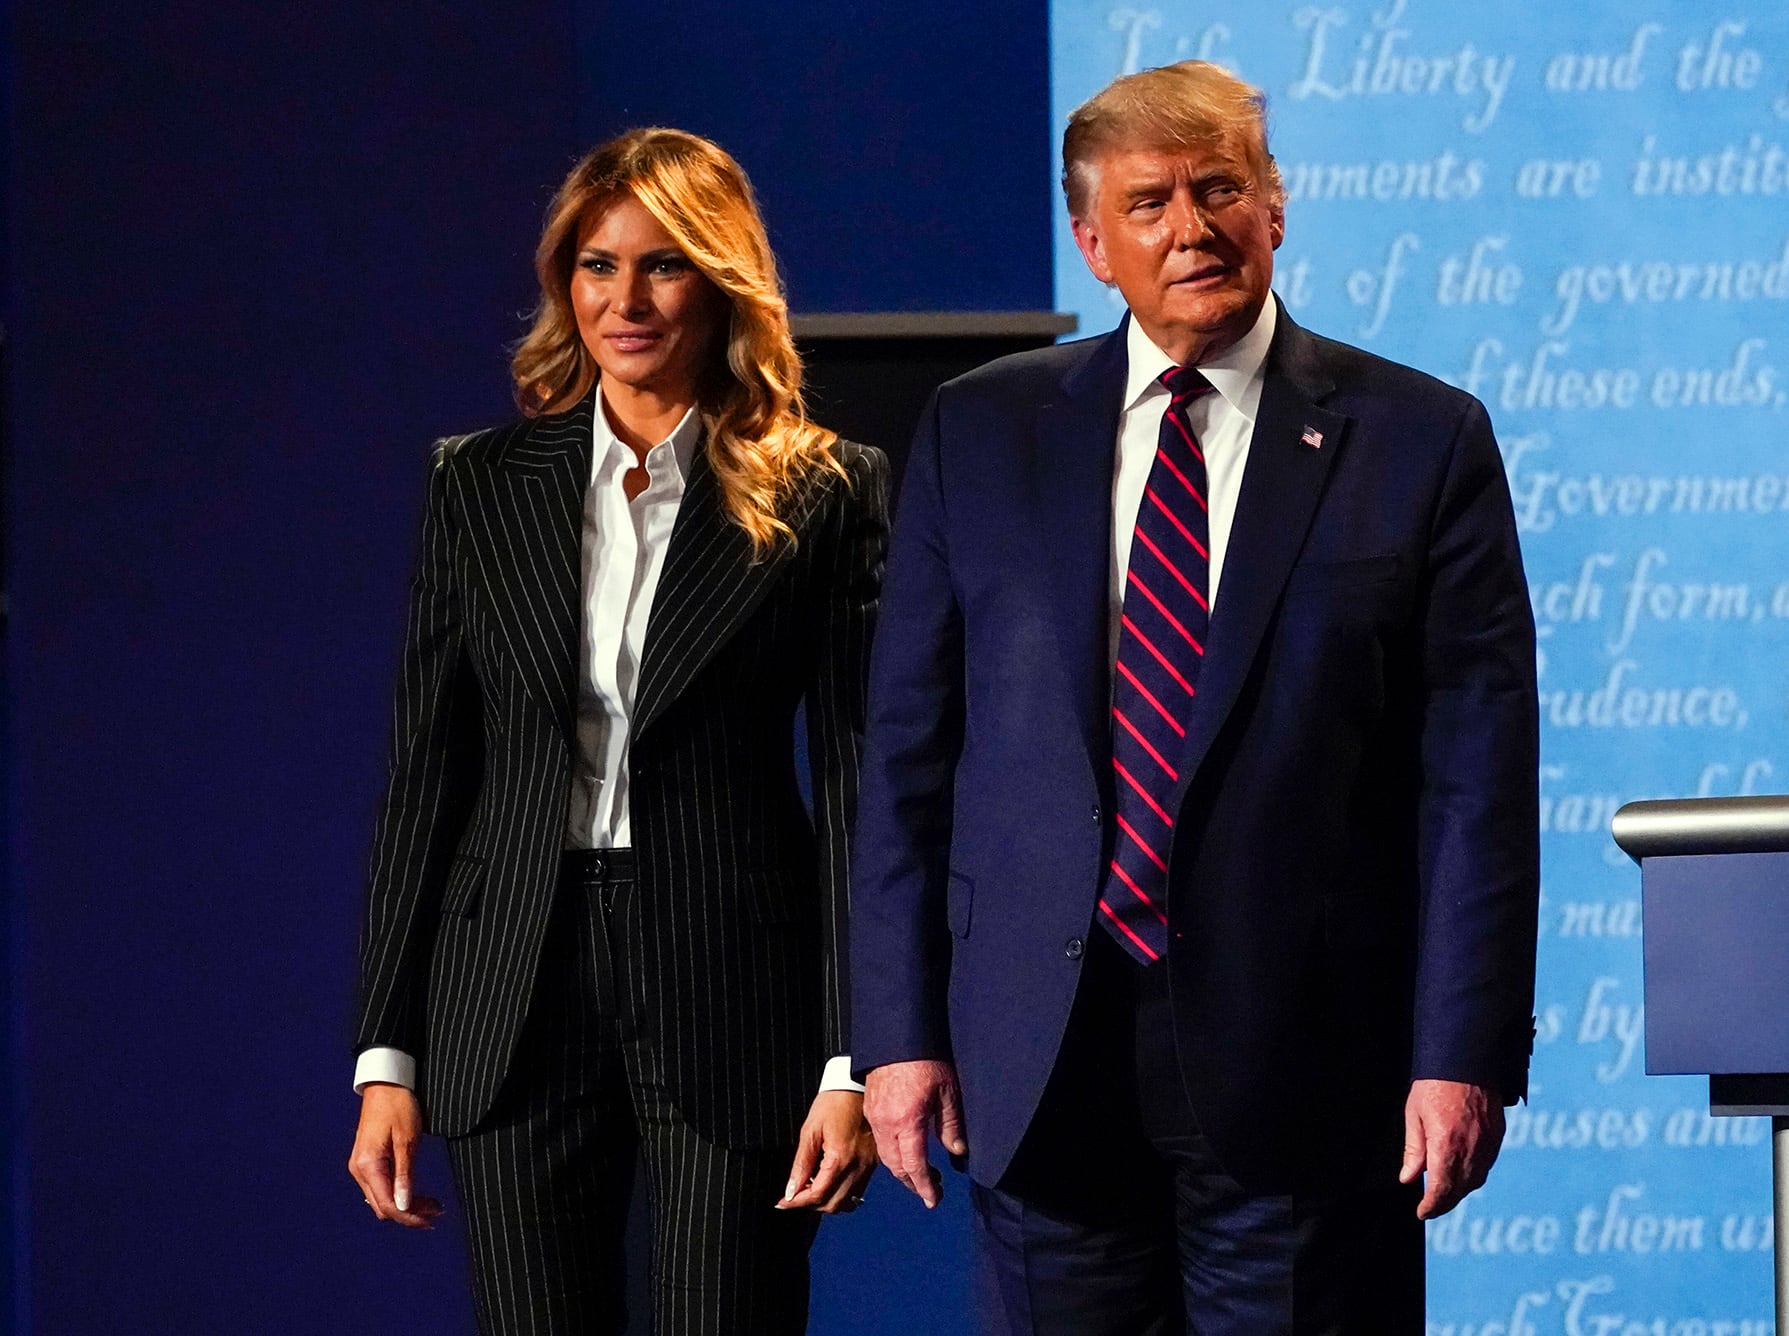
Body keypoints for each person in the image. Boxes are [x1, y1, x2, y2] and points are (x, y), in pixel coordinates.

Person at [851, 62, 1538, 1332]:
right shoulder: (977, 431)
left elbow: (1474, 786)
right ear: (1092, 243)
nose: (1191, 226)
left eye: (1220, 188)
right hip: (1041, 1060)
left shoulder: (1419, 438)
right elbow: (906, 758)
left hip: (1312, 1071)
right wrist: (889, 1034)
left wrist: (1460, 1051)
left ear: (1274, 209)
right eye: (1150, 199)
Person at [345, 127, 886, 1335]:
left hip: (733, 972)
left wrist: (853, 1057)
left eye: (663, 265)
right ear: (563, 285)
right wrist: (386, 1055)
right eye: (596, 266)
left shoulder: (827, 487)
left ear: (721, 280)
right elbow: (426, 776)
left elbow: (859, 785)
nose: (624, 299)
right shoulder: (478, 483)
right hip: (513, 980)